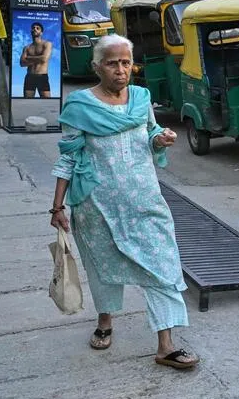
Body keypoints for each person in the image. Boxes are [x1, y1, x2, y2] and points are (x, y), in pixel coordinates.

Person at [50, 34, 198, 370]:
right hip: (96, 207)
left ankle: (166, 345)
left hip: (145, 202)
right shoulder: (79, 107)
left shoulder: (141, 98)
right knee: (104, 269)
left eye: (126, 62)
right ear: (97, 67)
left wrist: (159, 138)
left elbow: (149, 132)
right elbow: (68, 159)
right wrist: (57, 207)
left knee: (163, 267)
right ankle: (105, 321)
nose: (121, 69)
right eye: (112, 63)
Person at [20, 21, 54, 98]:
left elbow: (44, 59)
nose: (34, 29)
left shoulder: (47, 44)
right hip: (29, 77)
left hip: (42, 76)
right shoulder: (27, 47)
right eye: (33, 28)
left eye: (37, 28)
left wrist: (29, 58)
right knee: (27, 101)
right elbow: (22, 63)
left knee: (47, 101)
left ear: (41, 33)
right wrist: (39, 58)